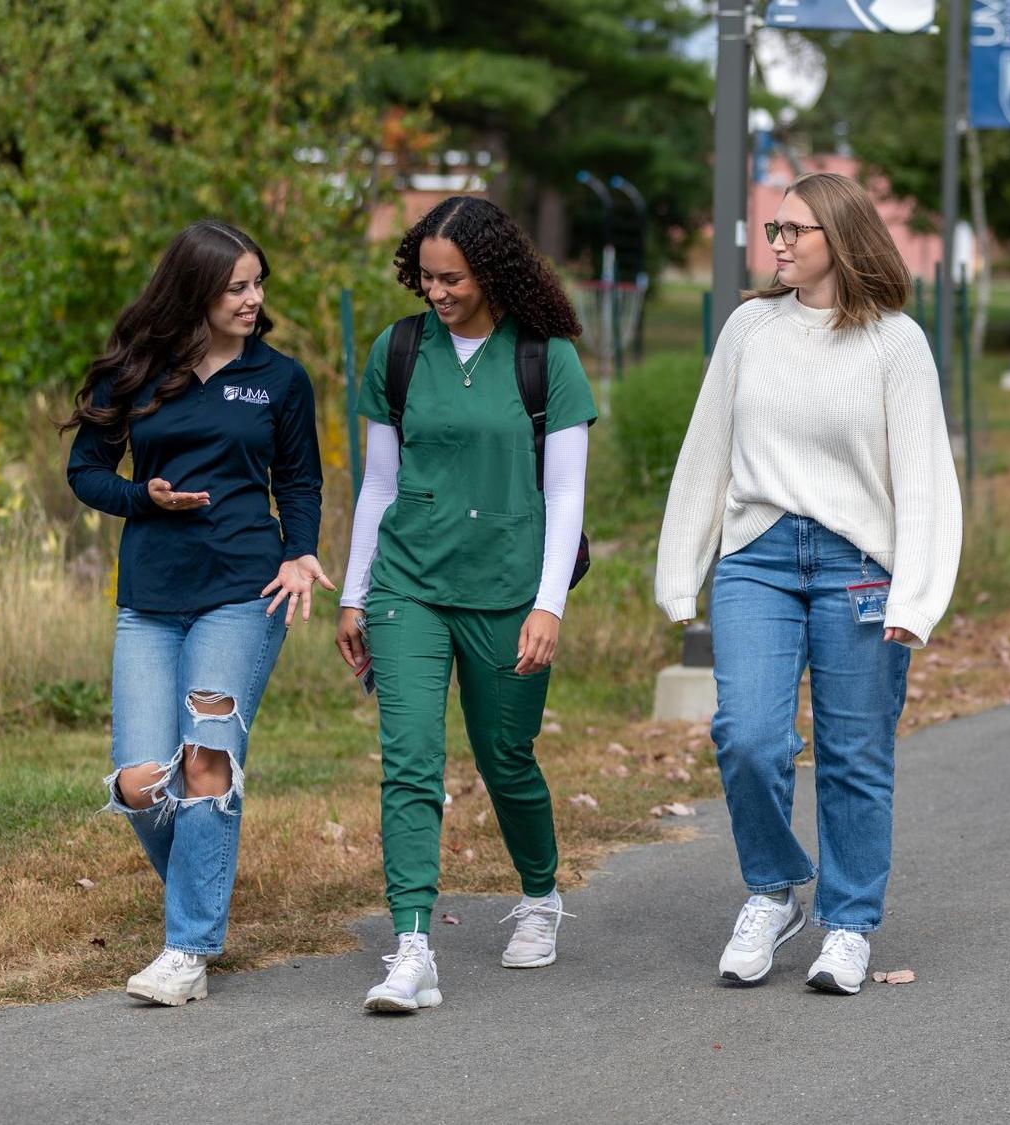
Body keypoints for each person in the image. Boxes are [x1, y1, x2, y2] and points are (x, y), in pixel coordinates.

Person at [655, 171, 961, 995]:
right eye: (774, 231)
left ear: (842, 238)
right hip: (756, 556)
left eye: (795, 230)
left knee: (854, 752)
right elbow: (706, 448)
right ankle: (774, 887)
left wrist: (917, 599)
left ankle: (850, 922)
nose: (778, 244)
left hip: (858, 565)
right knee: (747, 736)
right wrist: (680, 570)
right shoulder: (750, 329)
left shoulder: (897, 343)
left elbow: (926, 476)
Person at [336, 195, 595, 1013]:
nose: (436, 292)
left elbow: (567, 493)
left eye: (451, 278)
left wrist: (548, 604)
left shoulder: (544, 358)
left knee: (504, 757)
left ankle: (542, 893)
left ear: (493, 271)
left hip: (508, 592)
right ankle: (412, 947)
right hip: (409, 585)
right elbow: (379, 481)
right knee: (411, 761)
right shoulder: (402, 349)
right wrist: (355, 592)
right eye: (425, 277)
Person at [64, 219, 328, 1006]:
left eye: (258, 284)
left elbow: (301, 480)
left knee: (207, 759)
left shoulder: (280, 380)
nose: (255, 299)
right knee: (142, 780)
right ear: (195, 292)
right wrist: (140, 495)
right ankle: (202, 890)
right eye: (237, 286)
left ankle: (187, 948)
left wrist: (301, 551)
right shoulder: (136, 373)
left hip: (245, 594)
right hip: (150, 598)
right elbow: (85, 471)